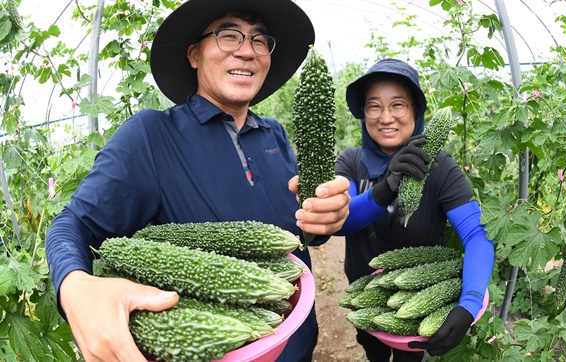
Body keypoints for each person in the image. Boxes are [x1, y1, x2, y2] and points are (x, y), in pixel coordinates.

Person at [44, 1, 350, 361]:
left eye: (260, 39)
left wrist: (323, 222)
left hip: (296, 340)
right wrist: (76, 287)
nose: (247, 51)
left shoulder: (275, 134)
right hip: (220, 348)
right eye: (229, 34)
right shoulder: (149, 135)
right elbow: (73, 224)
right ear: (194, 54)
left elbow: (297, 230)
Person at [334, 58, 495, 361]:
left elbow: (476, 233)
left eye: (398, 105)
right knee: (375, 353)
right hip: (366, 296)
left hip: (418, 301)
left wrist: (470, 302)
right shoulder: (351, 161)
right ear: (363, 114)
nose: (385, 117)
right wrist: (384, 190)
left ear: (415, 111)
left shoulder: (441, 167)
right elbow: (340, 221)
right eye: (373, 106)